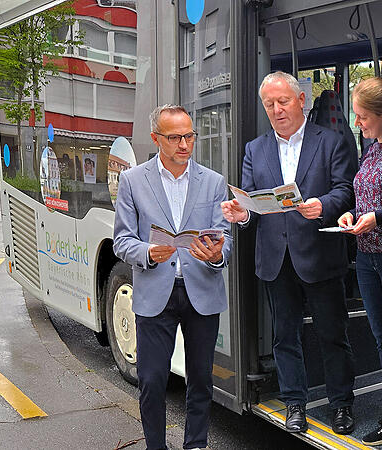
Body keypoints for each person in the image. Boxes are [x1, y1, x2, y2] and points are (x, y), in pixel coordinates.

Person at [221, 71, 358, 435]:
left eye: (283, 101)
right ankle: (294, 404)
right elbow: (249, 199)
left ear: (301, 101)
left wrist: (324, 204)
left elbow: (347, 190)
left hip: (321, 254)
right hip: (275, 258)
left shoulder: (331, 141)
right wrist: (241, 213)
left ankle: (341, 404)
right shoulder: (255, 149)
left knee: (333, 334)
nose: (277, 110)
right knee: (285, 336)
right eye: (269, 104)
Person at [113, 104, 232, 450]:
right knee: (151, 380)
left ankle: (195, 444)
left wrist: (217, 255)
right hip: (154, 292)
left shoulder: (213, 182)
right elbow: (122, 240)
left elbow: (225, 238)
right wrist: (148, 253)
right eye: (175, 137)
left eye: (189, 136)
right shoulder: (133, 181)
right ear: (156, 139)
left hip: (201, 292)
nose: (184, 143)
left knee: (200, 380)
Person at [336, 77, 382, 447]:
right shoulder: (371, 149)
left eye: (361, 117)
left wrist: (378, 217)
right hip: (366, 258)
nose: (357, 123)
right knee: (381, 338)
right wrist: (350, 215)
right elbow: (364, 197)